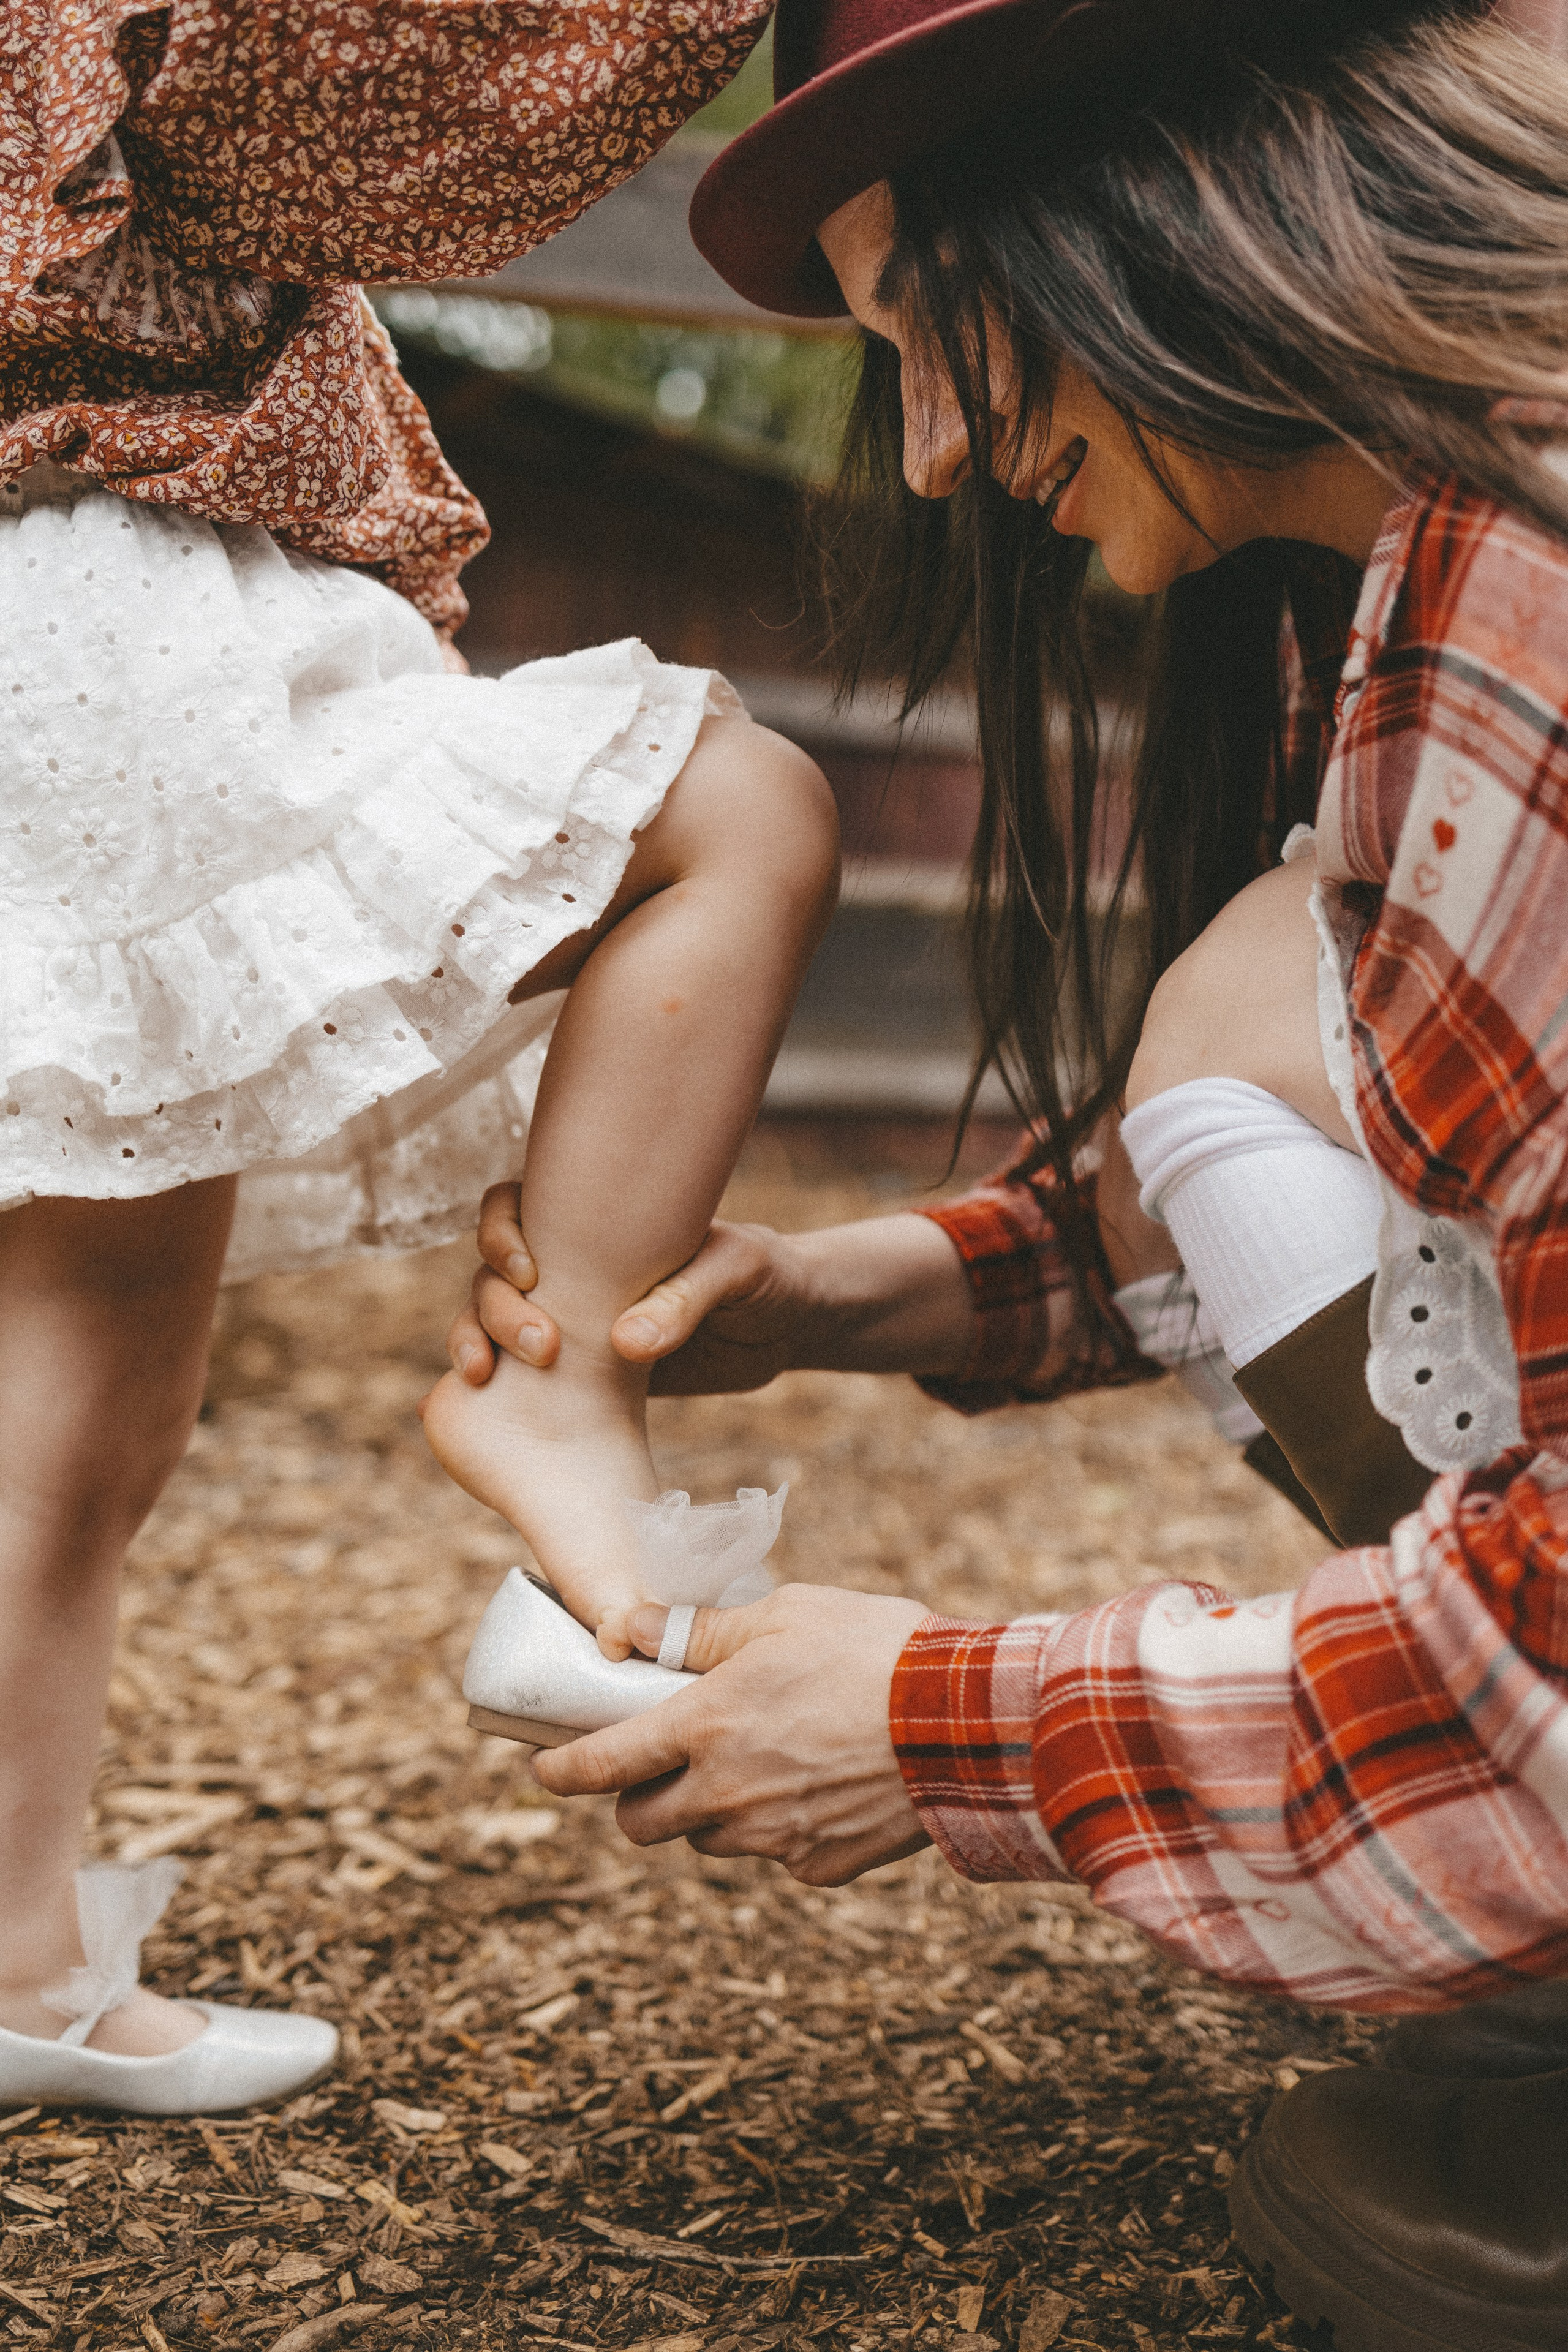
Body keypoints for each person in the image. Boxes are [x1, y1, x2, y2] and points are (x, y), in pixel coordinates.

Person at [447, 0, 1568, 2342]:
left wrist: (950, 1721)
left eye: (933, 335)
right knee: (1260, 995)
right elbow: (1402, 1091)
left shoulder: (1531, 618)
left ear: (1158, 194)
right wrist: (856, 1291)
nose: (940, 455)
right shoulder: (1430, 557)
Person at [0, 0, 841, 2115]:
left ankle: (12, 1961)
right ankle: (563, 1410)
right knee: (740, 817)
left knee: (78, 1377)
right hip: (102, 628)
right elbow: (387, 125)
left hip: (58, 645)